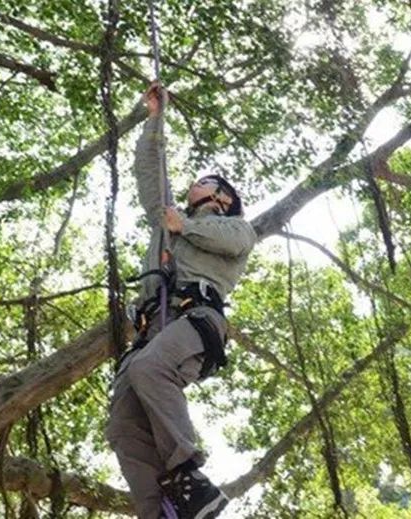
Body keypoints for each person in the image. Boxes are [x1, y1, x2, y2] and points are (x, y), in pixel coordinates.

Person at [105, 82, 257, 519]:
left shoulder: (234, 227)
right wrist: (155, 120)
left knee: (150, 367)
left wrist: (184, 226)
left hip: (196, 321)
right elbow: (151, 179)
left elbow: (232, 241)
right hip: (154, 329)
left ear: (222, 197)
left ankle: (189, 475)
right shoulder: (170, 224)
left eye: (204, 182)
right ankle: (159, 512)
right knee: (122, 425)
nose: (193, 183)